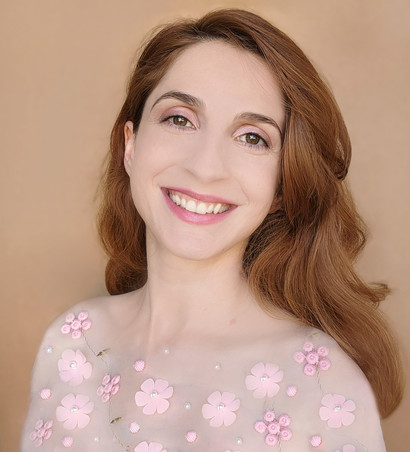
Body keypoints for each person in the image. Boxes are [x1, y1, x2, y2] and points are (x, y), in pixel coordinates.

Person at [21, 8, 403, 452]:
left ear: (283, 185)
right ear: (131, 145)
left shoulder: (324, 386)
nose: (205, 168)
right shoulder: (75, 341)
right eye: (179, 119)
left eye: (252, 137)